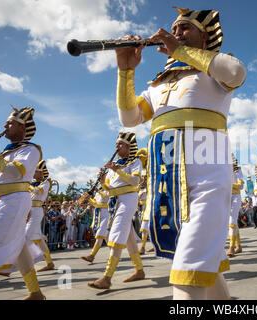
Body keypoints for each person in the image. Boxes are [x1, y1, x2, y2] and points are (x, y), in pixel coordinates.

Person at [114, 7, 246, 300]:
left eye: (186, 28)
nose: (177, 32)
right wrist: (126, 71)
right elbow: (130, 118)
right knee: (202, 269)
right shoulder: (158, 83)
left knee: (186, 274)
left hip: (208, 178)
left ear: (205, 36)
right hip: (169, 182)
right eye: (174, 28)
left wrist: (183, 52)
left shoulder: (213, 68)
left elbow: (236, 73)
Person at [0, 106, 45, 299]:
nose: (5, 125)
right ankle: (35, 292)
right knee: (21, 249)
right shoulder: (6, 153)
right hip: (1, 202)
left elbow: (14, 172)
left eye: (11, 122)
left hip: (14, 202)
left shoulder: (31, 150)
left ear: (23, 128)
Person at [87, 132, 145, 289]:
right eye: (116, 144)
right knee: (129, 239)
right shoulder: (116, 165)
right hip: (114, 202)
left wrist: (117, 169)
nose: (117, 147)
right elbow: (108, 189)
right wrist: (101, 181)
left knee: (117, 233)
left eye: (120, 144)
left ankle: (107, 277)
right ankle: (139, 270)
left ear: (128, 146)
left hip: (128, 199)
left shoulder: (135, 161)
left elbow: (135, 180)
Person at [27, 160, 55, 272]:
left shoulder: (47, 182)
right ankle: (49, 263)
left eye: (36, 171)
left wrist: (26, 185)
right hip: (29, 211)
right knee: (38, 239)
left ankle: (23, 264)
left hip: (37, 210)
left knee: (25, 237)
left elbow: (37, 192)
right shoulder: (30, 183)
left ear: (42, 172)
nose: (33, 173)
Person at [81, 187, 110, 263]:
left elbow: (107, 198)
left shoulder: (108, 188)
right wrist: (88, 199)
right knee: (107, 237)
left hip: (106, 214)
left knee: (99, 235)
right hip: (98, 214)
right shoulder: (97, 193)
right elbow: (94, 203)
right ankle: (114, 254)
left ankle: (92, 255)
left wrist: (99, 191)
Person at [226, 154, 244, 257]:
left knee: (232, 221)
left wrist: (228, 185)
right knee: (232, 222)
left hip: (235, 196)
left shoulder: (237, 171)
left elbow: (241, 186)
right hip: (225, 197)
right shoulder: (222, 171)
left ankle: (231, 247)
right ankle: (239, 246)